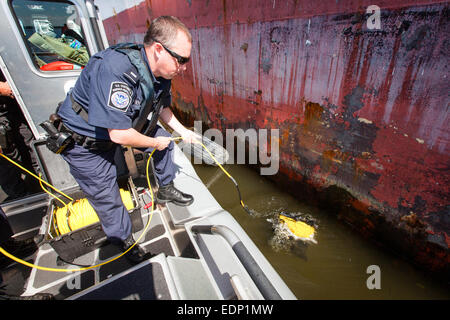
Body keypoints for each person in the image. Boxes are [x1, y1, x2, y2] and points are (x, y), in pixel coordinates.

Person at [56, 16, 197, 264]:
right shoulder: (116, 69)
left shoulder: (162, 73)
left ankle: (164, 189)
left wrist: (183, 131)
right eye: (182, 59)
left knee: (165, 137)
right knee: (108, 197)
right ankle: (124, 245)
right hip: (86, 144)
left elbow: (162, 108)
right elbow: (119, 135)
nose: (185, 67)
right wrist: (154, 144)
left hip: (120, 128)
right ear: (158, 50)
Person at [0, 71, 37, 202]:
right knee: (7, 160)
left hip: (12, 107)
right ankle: (22, 199)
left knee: (31, 146)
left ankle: (43, 184)